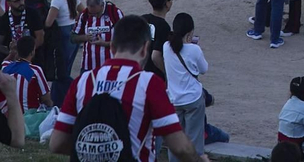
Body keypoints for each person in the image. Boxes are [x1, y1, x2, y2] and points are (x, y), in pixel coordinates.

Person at [50, 13, 199, 162]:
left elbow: (57, 143)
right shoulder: (149, 84)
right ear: (145, 48)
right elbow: (180, 147)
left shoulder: (82, 81)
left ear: (112, 47)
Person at [161, 12, 211, 160]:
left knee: (175, 141)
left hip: (174, 100)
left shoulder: (166, 46)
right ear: (190, 33)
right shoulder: (194, 50)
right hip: (193, 100)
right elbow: (204, 69)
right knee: (194, 141)